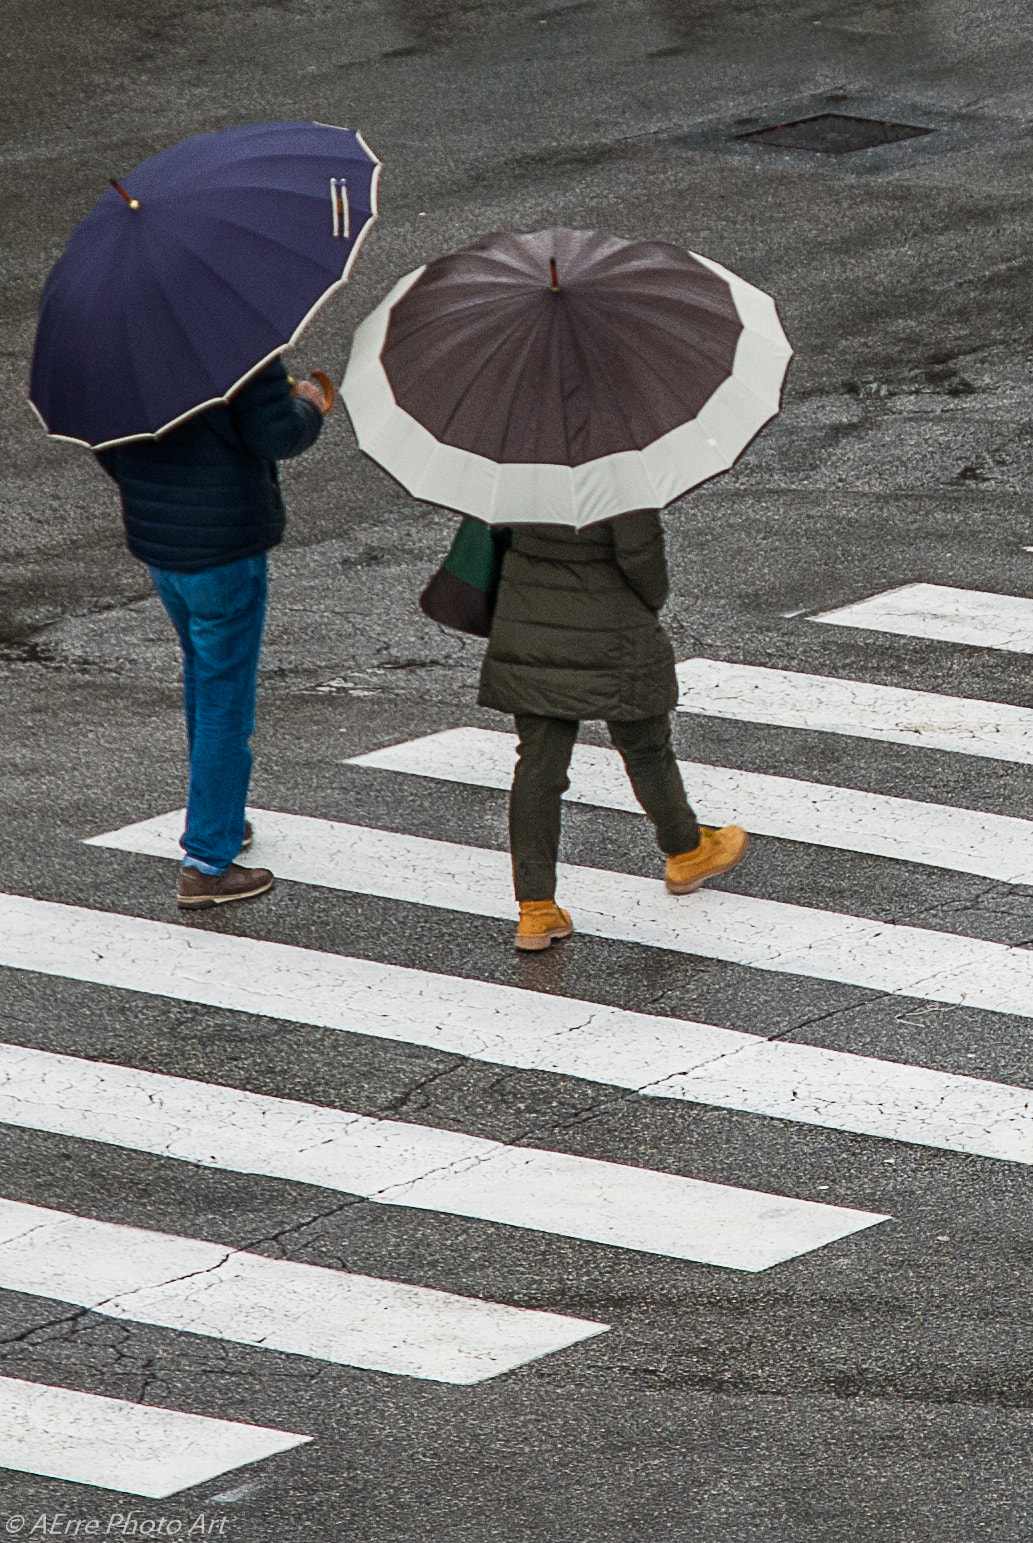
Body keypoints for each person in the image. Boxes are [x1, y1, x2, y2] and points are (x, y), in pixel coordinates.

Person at [96, 360, 333, 909]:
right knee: (224, 694)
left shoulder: (112, 350)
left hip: (161, 544)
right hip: (225, 546)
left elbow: (105, 444)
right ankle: (206, 860)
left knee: (203, 677)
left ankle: (217, 814)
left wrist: (151, 486)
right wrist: (309, 404)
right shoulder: (238, 347)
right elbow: (276, 434)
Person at [477, 510, 749, 951]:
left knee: (539, 767)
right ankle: (687, 850)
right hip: (613, 633)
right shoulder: (615, 467)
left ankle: (536, 910)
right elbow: (645, 567)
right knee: (645, 747)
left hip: (530, 629)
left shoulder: (517, 459)